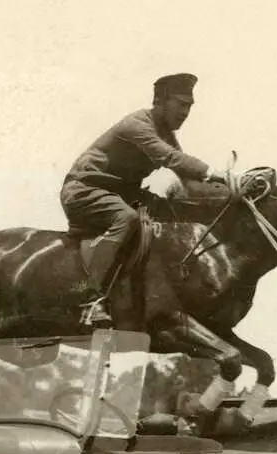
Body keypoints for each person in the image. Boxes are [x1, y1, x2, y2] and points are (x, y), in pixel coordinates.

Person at [60, 73, 228, 327]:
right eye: (181, 104)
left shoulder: (164, 131)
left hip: (120, 193)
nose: (186, 112)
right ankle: (91, 299)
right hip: (85, 190)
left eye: (189, 107)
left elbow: (185, 175)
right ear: (160, 101)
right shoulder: (137, 125)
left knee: (173, 212)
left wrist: (229, 191)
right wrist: (219, 174)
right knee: (126, 218)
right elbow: (171, 158)